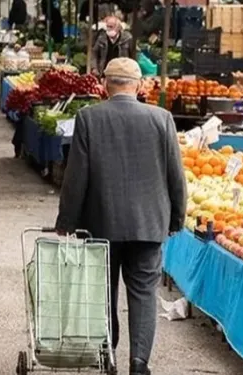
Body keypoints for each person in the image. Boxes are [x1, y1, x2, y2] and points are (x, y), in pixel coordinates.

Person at [55, 58, 187, 375]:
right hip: (149, 224)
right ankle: (139, 362)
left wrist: (67, 222)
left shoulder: (89, 117)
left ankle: (108, 355)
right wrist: (176, 219)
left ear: (104, 85)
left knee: (103, 292)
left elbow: (76, 177)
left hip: (101, 222)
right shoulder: (162, 119)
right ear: (139, 85)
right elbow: (175, 176)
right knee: (144, 294)